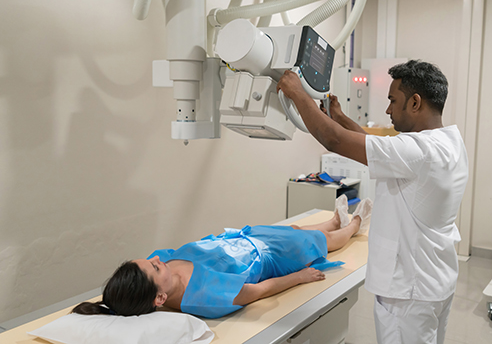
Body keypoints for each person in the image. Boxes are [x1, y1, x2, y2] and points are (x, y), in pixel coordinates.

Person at [276, 60, 468, 344]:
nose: (388, 109)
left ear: (415, 103)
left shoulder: (419, 151)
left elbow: (332, 140)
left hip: (408, 293)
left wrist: (296, 92)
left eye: (393, 101)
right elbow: (381, 150)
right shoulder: (448, 142)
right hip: (435, 282)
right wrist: (340, 117)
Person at [72, 196, 372, 319]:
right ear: (160, 299)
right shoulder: (204, 296)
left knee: (295, 228)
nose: (156, 259)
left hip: (243, 239)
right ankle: (355, 225)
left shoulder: (160, 269)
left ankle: (334, 220)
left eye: (148, 260)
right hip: (268, 257)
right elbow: (258, 291)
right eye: (153, 267)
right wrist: (299, 276)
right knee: (322, 242)